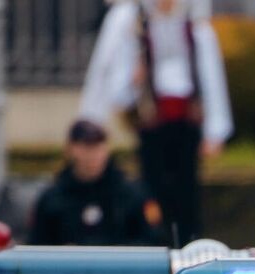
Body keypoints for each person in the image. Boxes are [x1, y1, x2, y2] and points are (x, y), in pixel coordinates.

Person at [79, 0, 232, 245]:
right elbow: (110, 76)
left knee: (186, 192)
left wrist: (216, 130)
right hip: (152, 124)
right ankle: (155, 241)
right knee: (152, 190)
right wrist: (132, 82)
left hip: (185, 125)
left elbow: (211, 78)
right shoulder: (135, 26)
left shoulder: (195, 28)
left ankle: (188, 242)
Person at [30, 120, 157, 247]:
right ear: (70, 149)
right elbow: (36, 246)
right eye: (86, 147)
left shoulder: (132, 194)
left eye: (98, 146)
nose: (93, 154)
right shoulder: (52, 199)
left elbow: (153, 240)